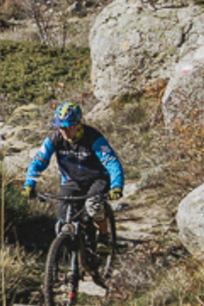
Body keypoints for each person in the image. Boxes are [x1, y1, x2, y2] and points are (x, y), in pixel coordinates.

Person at [22, 100, 126, 246]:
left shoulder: (94, 138)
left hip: (98, 179)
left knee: (93, 206)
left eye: (68, 127)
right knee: (64, 219)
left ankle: (104, 237)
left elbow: (112, 162)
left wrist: (117, 186)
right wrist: (29, 184)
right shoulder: (55, 139)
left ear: (78, 124)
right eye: (60, 127)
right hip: (72, 180)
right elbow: (38, 162)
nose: (64, 131)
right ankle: (72, 251)